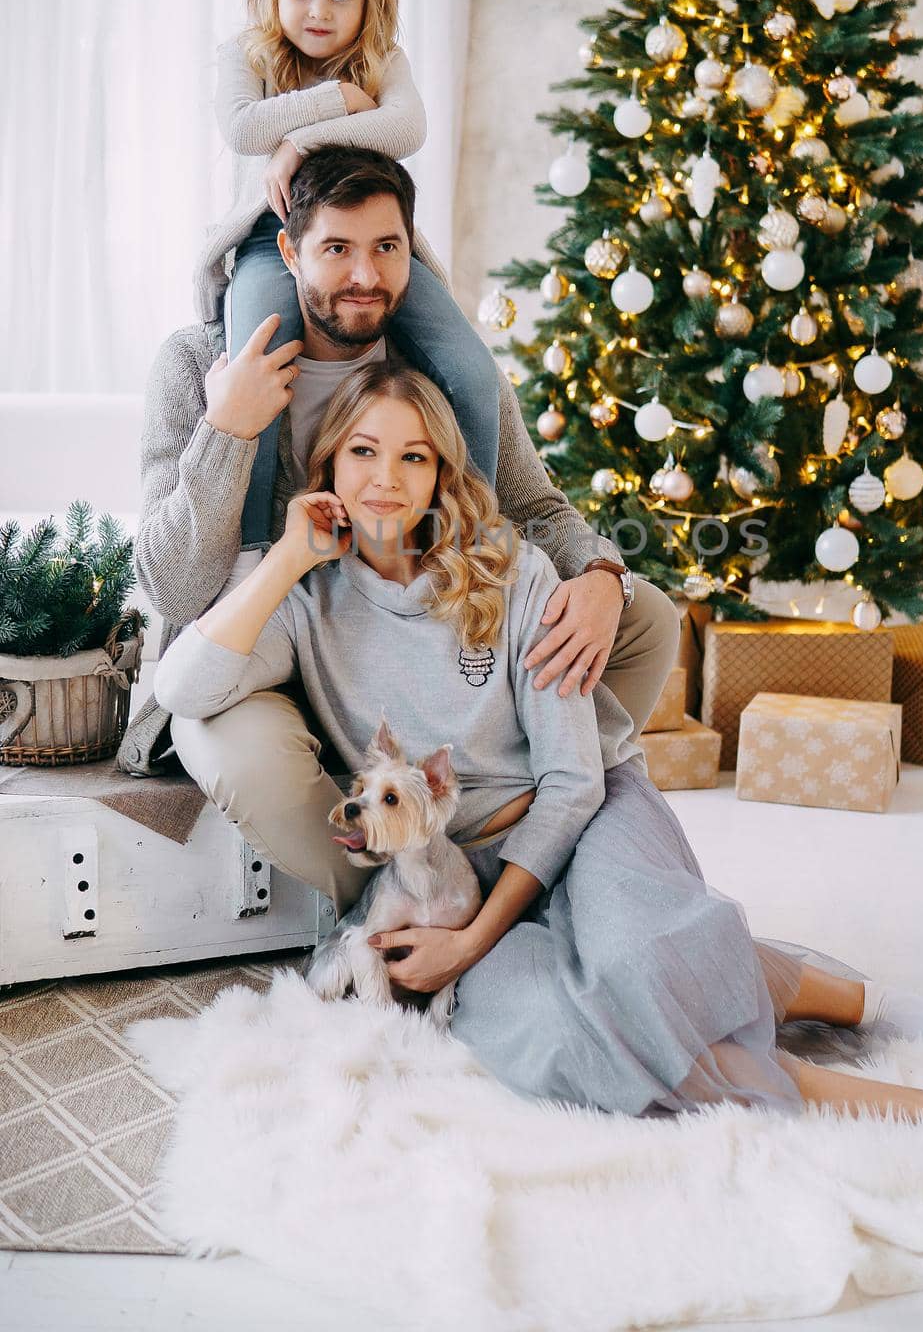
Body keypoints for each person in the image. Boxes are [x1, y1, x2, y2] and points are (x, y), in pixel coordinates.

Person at [152, 363, 923, 1144]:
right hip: (453, 865)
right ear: (327, 466)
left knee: (641, 968)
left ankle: (895, 1055)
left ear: (441, 475)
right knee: (562, 1035)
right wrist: (284, 563)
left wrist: (475, 939)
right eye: (361, 451)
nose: (385, 479)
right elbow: (182, 692)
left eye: (413, 456)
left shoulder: (510, 574)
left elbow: (569, 780)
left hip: (587, 817)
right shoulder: (304, 602)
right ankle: (895, 1073)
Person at [117, 149, 680, 880]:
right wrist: (229, 431)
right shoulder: (199, 365)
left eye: (386, 248)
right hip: (265, 642)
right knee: (236, 751)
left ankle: (528, 820)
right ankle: (394, 911)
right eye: (335, 250)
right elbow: (172, 589)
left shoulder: (444, 369)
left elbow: (532, 504)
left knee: (645, 617)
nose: (364, 276)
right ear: (290, 251)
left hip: (407, 645)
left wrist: (602, 573)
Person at [199, 0, 498, 567]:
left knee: (472, 372)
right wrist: (338, 101)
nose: (319, 11)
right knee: (259, 373)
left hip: (374, 250)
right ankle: (252, 551)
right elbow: (243, 129)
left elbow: (405, 128)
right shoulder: (244, 54)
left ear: (369, 3)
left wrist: (300, 139)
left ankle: (477, 539)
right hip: (267, 245)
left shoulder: (382, 59)